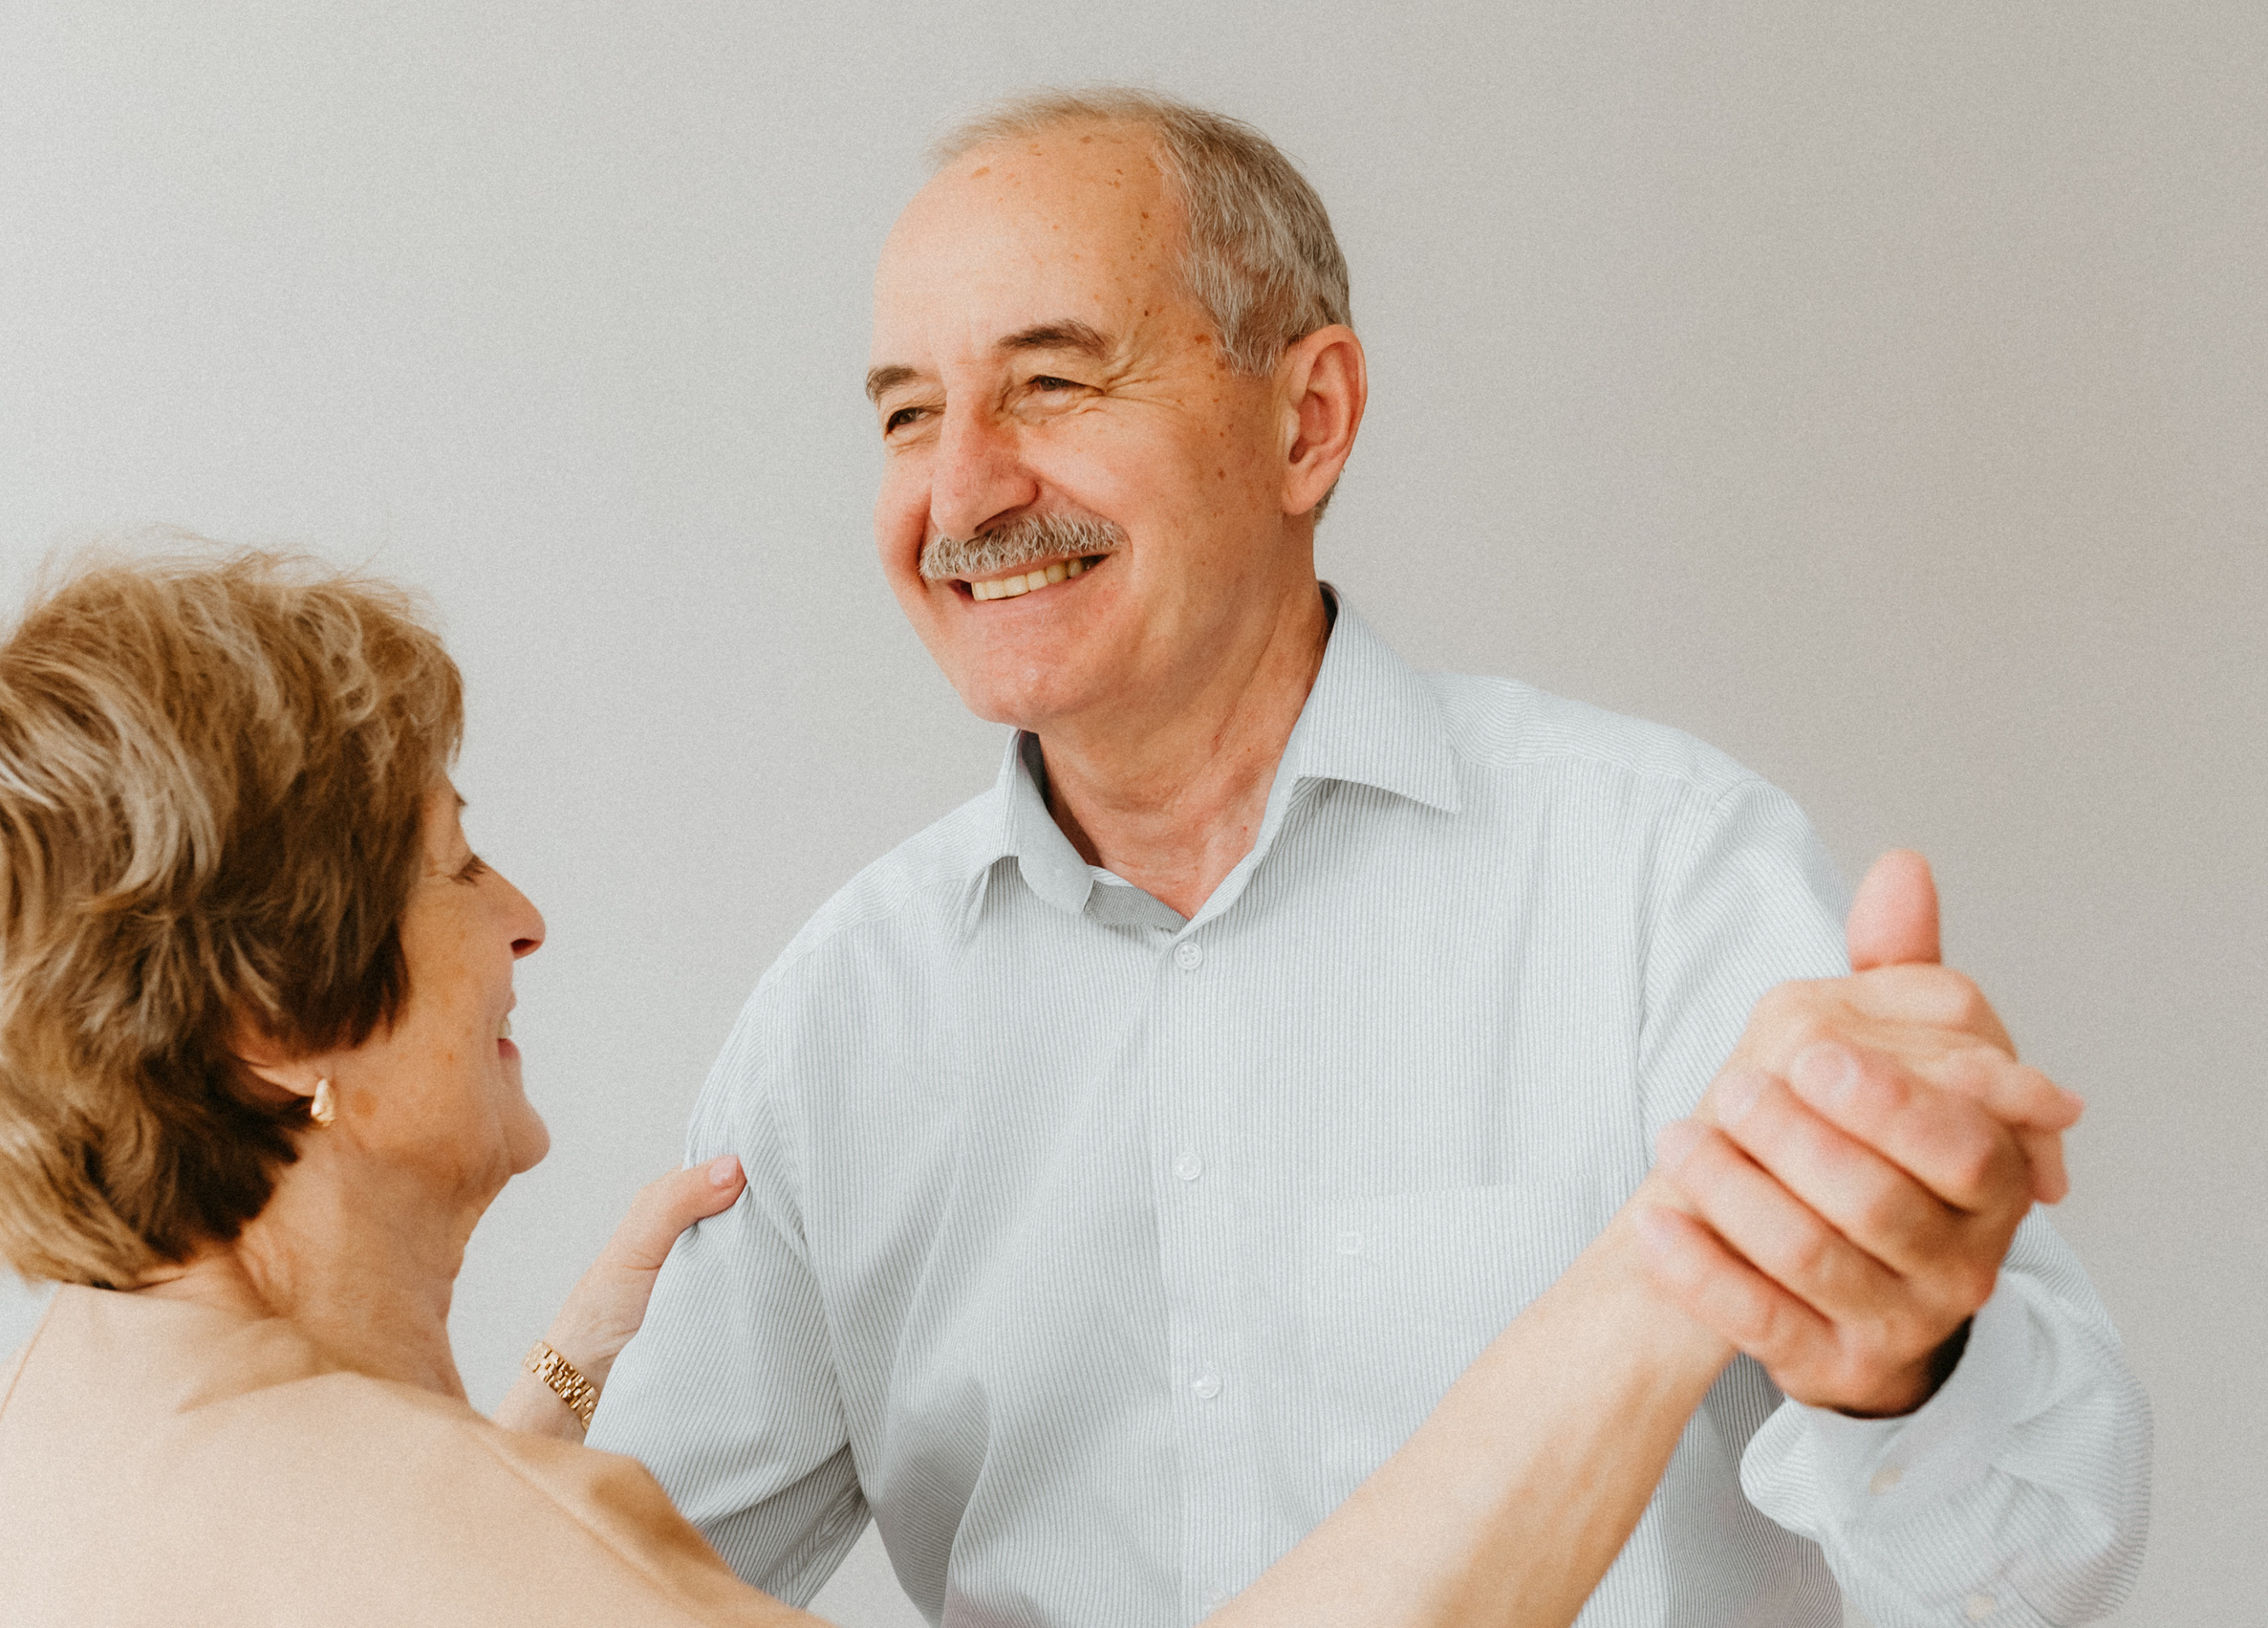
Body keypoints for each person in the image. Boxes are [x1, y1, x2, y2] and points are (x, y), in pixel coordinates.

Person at [591, 88, 2152, 1628]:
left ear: (1307, 420)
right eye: (908, 414)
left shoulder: (1661, 880)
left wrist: (1900, 1367)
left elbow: (2046, 1563)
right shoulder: (840, 1025)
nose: (963, 490)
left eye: (1052, 383)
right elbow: (594, 1598)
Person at [0, 547, 1800, 1627]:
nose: (526, 921)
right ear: (271, 1024)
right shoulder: (496, 1551)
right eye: (458, 866)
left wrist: (540, 1406)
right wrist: (1667, 1271)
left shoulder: (74, 1422)